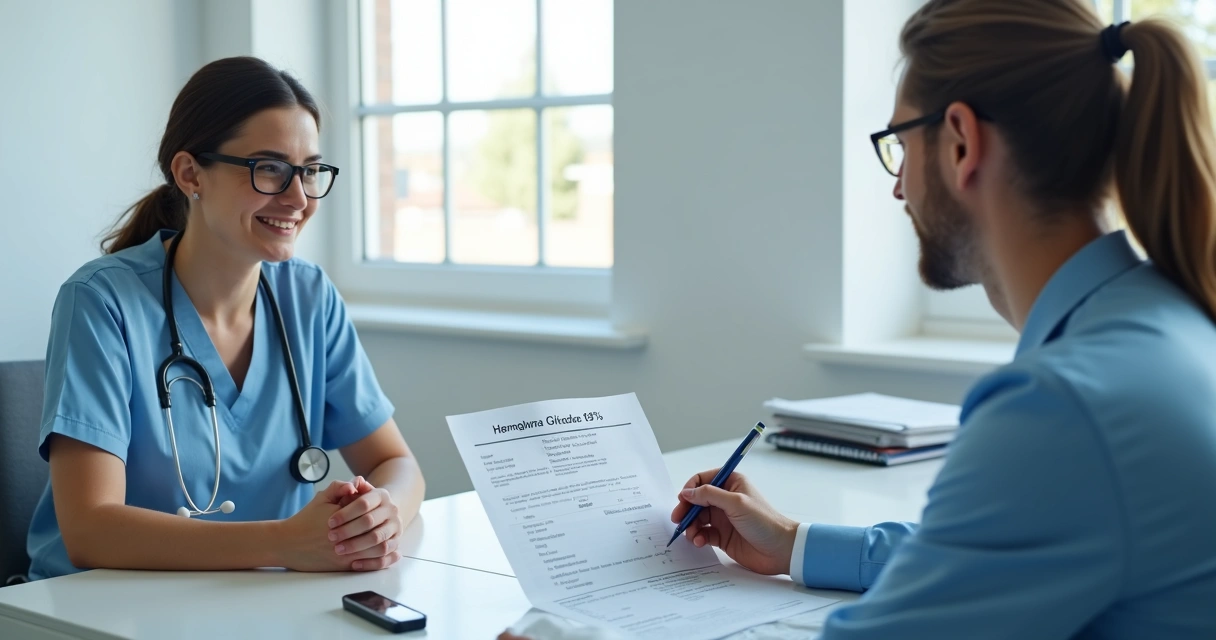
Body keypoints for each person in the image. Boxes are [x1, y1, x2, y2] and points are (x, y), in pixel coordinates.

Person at [508, 1, 1216, 638]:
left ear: (962, 142)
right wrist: (795, 543)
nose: (900, 186)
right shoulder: (1168, 325)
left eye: (901, 144)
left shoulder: (1062, 408)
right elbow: (993, 548)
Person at [25, 56, 425, 581]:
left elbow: (398, 465)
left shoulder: (309, 297)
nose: (299, 198)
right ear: (191, 173)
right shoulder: (102, 302)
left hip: (256, 600)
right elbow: (90, 530)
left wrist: (381, 513)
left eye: (309, 171)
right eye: (270, 169)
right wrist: (285, 542)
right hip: (100, 609)